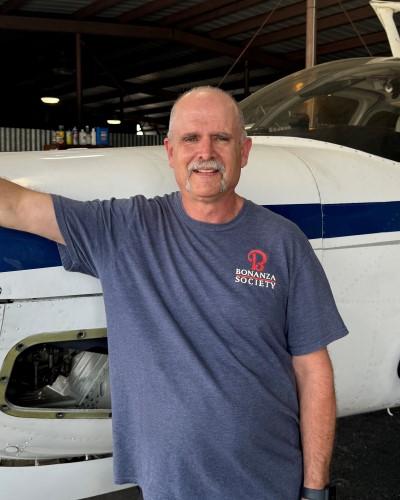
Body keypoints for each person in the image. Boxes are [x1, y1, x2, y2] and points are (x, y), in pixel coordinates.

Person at [0, 86, 347, 500]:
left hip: (269, 482)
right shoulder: (124, 229)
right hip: (167, 485)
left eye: (221, 138)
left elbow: (314, 371)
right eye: (190, 138)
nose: (206, 152)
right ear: (169, 151)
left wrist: (315, 489)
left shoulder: (283, 243)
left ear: (245, 150)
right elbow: (17, 206)